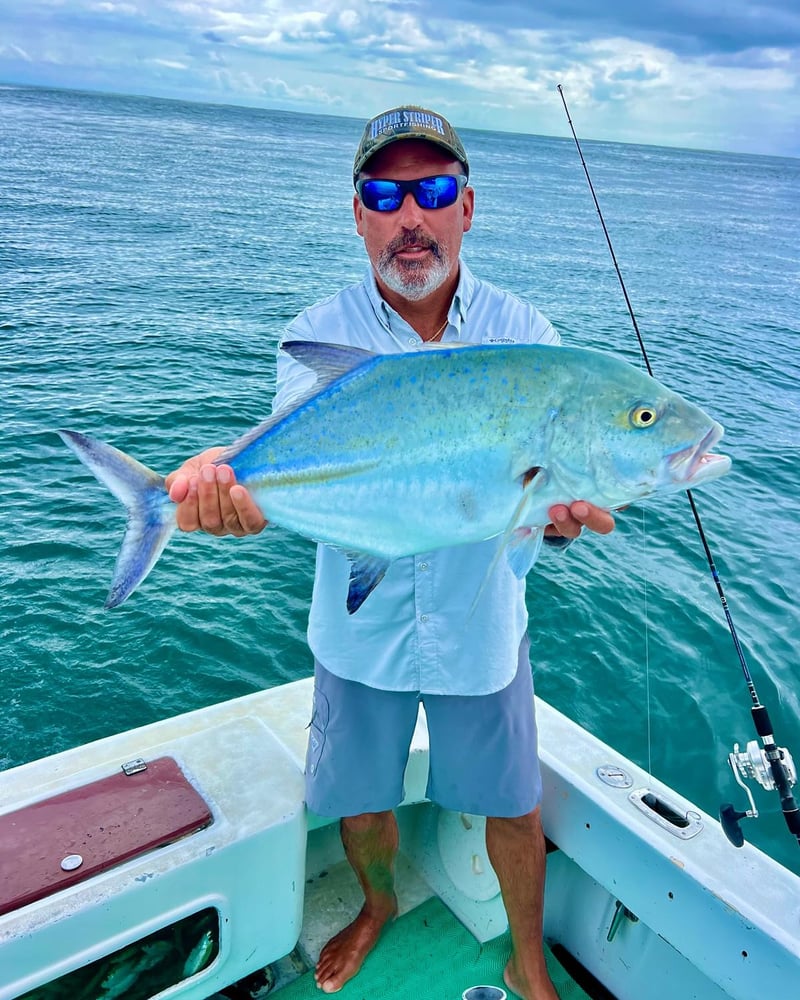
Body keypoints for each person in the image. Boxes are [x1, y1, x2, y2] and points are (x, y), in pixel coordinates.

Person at [167, 106, 615, 999]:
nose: (411, 216)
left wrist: (558, 519)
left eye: (433, 190)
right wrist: (228, 491)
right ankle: (374, 906)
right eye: (385, 193)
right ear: (360, 215)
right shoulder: (317, 331)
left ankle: (529, 964)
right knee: (361, 800)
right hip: (359, 627)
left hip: (482, 625)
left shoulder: (529, 336)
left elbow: (545, 492)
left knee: (511, 805)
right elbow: (283, 448)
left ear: (467, 207)